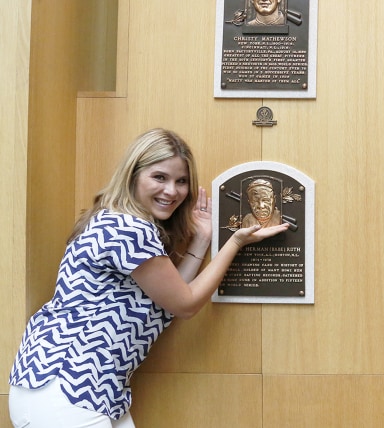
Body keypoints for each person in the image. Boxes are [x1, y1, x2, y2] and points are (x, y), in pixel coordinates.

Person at [8, 129, 289, 427]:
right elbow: (185, 304)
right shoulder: (129, 230)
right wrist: (234, 243)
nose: (172, 191)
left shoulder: (116, 220)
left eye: (181, 181)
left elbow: (169, 297)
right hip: (67, 391)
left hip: (90, 392)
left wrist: (202, 239)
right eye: (159, 177)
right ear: (133, 176)